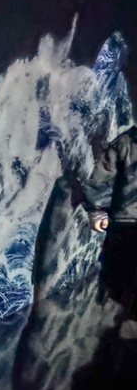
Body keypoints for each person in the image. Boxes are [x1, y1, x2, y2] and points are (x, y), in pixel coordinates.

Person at [80, 126, 137, 317]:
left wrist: (96, 209)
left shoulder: (125, 142)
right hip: (125, 225)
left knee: (116, 285)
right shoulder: (125, 142)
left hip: (124, 225)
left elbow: (100, 180)